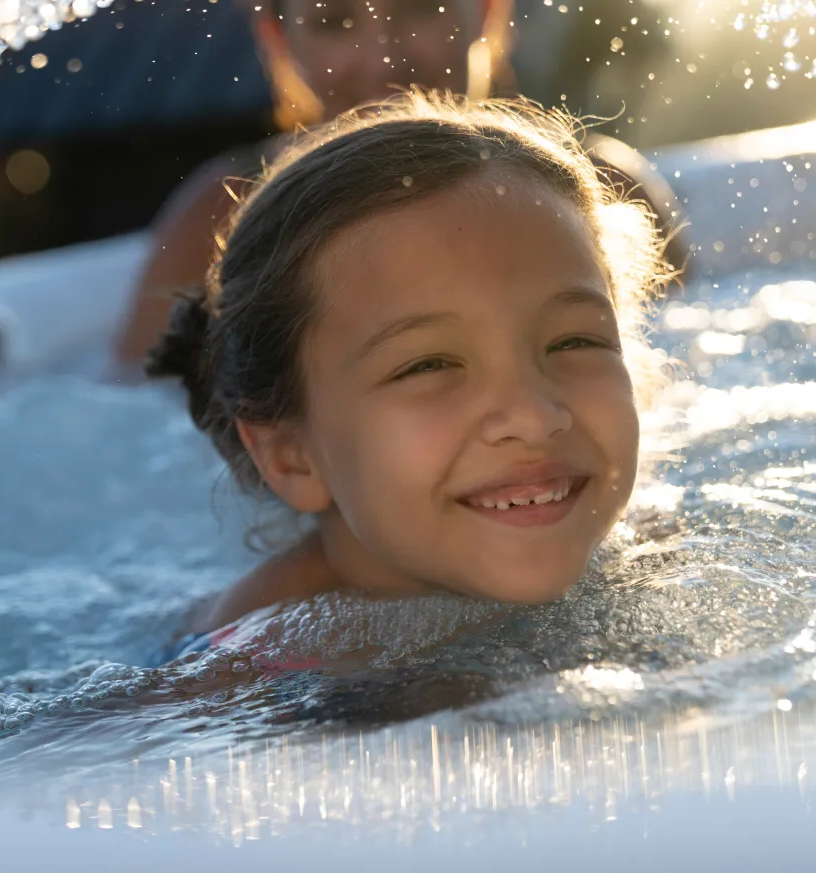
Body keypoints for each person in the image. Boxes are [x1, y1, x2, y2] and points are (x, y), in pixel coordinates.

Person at [146, 93, 671, 657]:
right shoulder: (249, 662)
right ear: (289, 455)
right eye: (429, 365)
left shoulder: (656, 553)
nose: (535, 417)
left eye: (575, 341)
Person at [111, 0, 514, 370]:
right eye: (334, 22)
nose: (384, 59)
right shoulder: (226, 208)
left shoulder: (561, 191)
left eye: (423, 6)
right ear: (279, 37)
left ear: (486, 10)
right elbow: (134, 407)